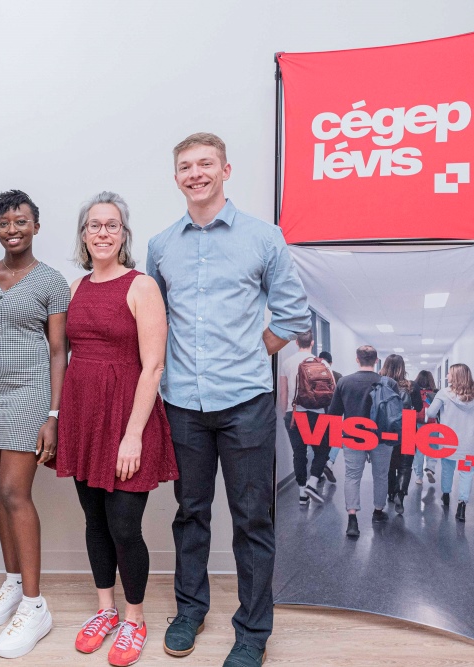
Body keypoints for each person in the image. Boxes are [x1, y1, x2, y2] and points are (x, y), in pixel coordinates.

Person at [147, 133, 310, 667]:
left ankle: (253, 631)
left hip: (245, 403)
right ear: (176, 177)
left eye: (206, 164)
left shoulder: (264, 237)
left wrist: (250, 352)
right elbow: (155, 321)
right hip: (182, 405)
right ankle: (189, 611)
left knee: (252, 519)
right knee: (190, 513)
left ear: (226, 170)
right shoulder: (161, 246)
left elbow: (293, 313)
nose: (196, 174)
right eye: (186, 166)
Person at [51, 191, 177, 667]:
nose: (102, 233)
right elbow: (64, 354)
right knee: (95, 521)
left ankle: (134, 619)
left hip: (128, 417)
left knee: (124, 525)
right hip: (84, 417)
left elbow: (154, 366)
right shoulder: (75, 287)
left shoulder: (141, 286)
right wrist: (60, 418)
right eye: (94, 225)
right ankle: (105, 610)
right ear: (84, 235)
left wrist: (132, 435)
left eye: (112, 225)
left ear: (124, 234)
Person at [0, 190, 69, 658]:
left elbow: (59, 350)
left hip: (29, 394)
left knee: (15, 492)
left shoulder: (52, 281)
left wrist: (54, 414)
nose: (13, 229)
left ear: (36, 226)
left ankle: (34, 605)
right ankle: (13, 582)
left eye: (21, 221)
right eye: (5, 222)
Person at [326, 345, 393, 537]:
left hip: (352, 436)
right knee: (381, 475)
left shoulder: (344, 382)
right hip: (381, 436)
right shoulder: (388, 383)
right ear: (376, 360)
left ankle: (352, 519)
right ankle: (378, 512)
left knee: (352, 476)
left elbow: (334, 413)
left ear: (357, 360)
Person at [277, 330, 333, 505]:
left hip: (294, 413)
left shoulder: (287, 363)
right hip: (318, 414)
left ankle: (302, 492)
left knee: (299, 453)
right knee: (323, 450)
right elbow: (332, 389)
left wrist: (285, 413)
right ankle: (313, 481)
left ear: (296, 342)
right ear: (312, 343)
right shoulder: (323, 363)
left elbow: (283, 391)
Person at [425, 363, 474, 521]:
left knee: (447, 469)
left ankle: (446, 495)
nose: (447, 376)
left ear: (456, 376)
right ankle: (462, 505)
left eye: (449, 373)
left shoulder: (444, 393)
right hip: (469, 443)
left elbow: (431, 413)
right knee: (466, 472)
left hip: (448, 441)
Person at [381, 354, 413, 514]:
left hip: (386, 428)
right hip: (407, 427)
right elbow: (418, 407)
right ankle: (400, 493)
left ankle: (391, 493)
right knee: (405, 464)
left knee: (388, 463)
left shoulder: (379, 385)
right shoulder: (410, 387)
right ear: (402, 368)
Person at [410, 370, 439, 487]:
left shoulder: (414, 392)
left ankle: (418, 477)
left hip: (418, 423)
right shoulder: (436, 393)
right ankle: (430, 469)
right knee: (432, 447)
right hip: (433, 423)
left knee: (419, 450)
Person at [318, 351, 342, 483]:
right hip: (334, 413)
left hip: (317, 413)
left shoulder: (312, 374)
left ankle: (317, 472)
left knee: (318, 442)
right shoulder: (338, 376)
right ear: (331, 363)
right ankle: (330, 463)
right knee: (336, 439)